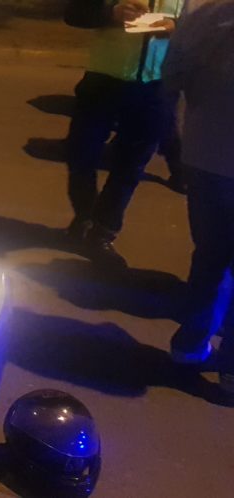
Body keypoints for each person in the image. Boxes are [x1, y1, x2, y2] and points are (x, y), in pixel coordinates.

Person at [62, 0, 183, 268]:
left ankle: (102, 232)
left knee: (131, 166)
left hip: (156, 87)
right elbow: (74, 12)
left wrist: (177, 26)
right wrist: (111, 12)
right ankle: (84, 216)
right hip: (102, 81)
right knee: (81, 155)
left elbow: (202, 26)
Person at [162, 0, 234, 401]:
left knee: (209, 256)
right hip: (210, 155)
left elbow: (171, 77)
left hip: (205, 155)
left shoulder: (205, 16)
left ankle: (189, 347)